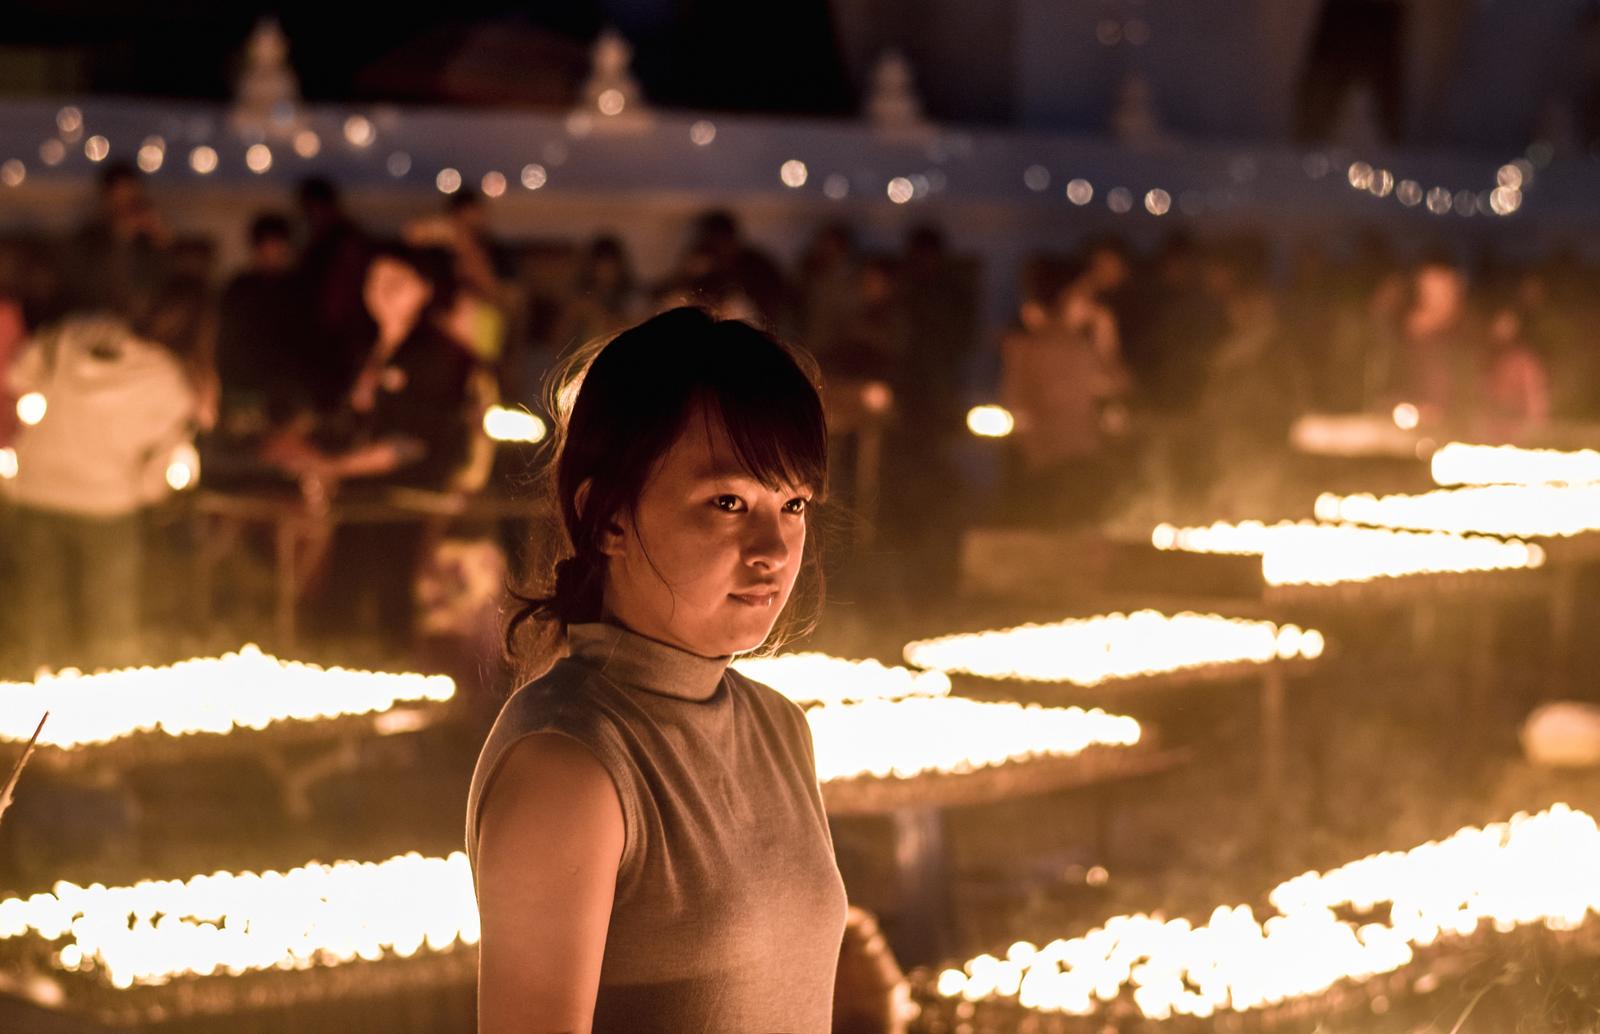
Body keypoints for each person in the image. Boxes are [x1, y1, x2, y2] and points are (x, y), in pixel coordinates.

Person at [468, 307, 846, 1032]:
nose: (773, 548)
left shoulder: (778, 728)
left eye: (793, 503)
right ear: (606, 516)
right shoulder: (568, 764)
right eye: (728, 501)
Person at [4, 289, 199, 670]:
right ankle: (106, 706)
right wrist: (148, 491)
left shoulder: (61, 340)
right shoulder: (163, 373)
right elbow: (170, 450)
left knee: (40, 609)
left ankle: (39, 702)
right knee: (111, 615)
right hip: (108, 502)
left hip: (37, 487)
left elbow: (16, 377)